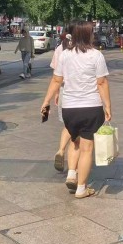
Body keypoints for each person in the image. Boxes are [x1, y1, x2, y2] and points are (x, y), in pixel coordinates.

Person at [41, 22, 112, 199]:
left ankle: (71, 174)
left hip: (69, 108)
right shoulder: (96, 55)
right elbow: (101, 82)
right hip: (91, 107)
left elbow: (56, 80)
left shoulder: (65, 55)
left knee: (75, 141)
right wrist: (108, 106)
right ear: (88, 35)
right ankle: (81, 188)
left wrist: (46, 101)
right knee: (87, 149)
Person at [50, 25, 74, 172]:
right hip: (79, 94)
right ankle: (73, 171)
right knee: (78, 135)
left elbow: (56, 76)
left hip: (64, 90)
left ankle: (60, 150)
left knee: (67, 125)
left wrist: (56, 93)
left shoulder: (60, 49)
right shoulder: (81, 49)